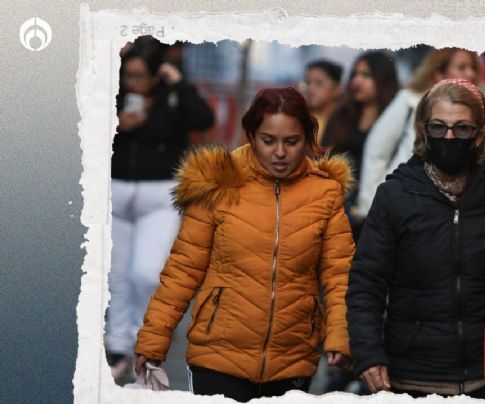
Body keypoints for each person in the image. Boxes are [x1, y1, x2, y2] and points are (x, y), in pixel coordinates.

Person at [133, 87, 354, 402]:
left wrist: (339, 335)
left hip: (293, 358)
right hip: (217, 353)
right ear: (251, 135)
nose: (280, 152)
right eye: (268, 140)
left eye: (291, 142)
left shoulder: (325, 193)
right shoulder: (219, 182)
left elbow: (339, 274)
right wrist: (153, 340)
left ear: (307, 138)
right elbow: (183, 269)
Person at [346, 79, 485, 399]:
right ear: (422, 129)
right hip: (411, 375)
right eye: (438, 127)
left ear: (481, 134)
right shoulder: (395, 195)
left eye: (461, 129)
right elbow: (366, 282)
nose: (448, 137)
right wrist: (369, 354)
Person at [105, 38, 215, 381]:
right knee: (117, 276)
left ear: (155, 75)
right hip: (117, 190)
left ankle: (144, 343)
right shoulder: (114, 92)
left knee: (147, 274)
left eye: (140, 76)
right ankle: (117, 344)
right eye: (129, 75)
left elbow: (204, 117)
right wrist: (117, 124)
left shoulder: (173, 96)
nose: (132, 82)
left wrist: (179, 84)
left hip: (160, 194)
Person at [357, 47, 480, 218]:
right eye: (462, 67)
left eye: (473, 68)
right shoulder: (410, 100)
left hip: (455, 211)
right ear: (439, 73)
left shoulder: (483, 112)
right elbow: (377, 150)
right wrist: (370, 205)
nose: (470, 74)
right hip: (401, 203)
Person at [322, 51, 399, 239]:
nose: (357, 81)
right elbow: (323, 159)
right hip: (339, 208)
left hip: (377, 210)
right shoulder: (341, 116)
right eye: (355, 74)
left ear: (383, 80)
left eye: (366, 75)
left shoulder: (394, 122)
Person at [302, 59, 343, 144]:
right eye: (307, 82)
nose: (311, 88)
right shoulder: (301, 120)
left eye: (318, 83)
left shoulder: (345, 122)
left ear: (337, 89)